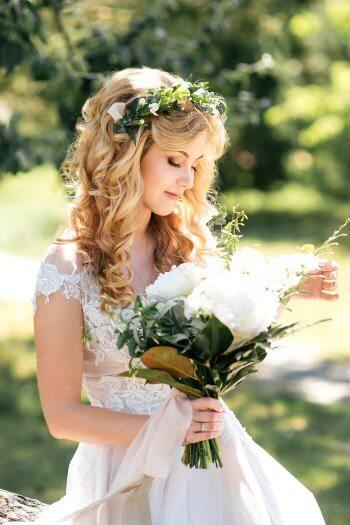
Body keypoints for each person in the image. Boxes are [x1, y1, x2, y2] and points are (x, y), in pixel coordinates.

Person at [12, 66, 338, 525]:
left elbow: (220, 342)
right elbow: (62, 416)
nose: (187, 181)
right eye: (174, 160)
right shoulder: (67, 269)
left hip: (216, 465)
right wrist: (166, 430)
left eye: (195, 164)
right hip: (129, 473)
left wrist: (282, 288)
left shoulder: (185, 244)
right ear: (127, 153)